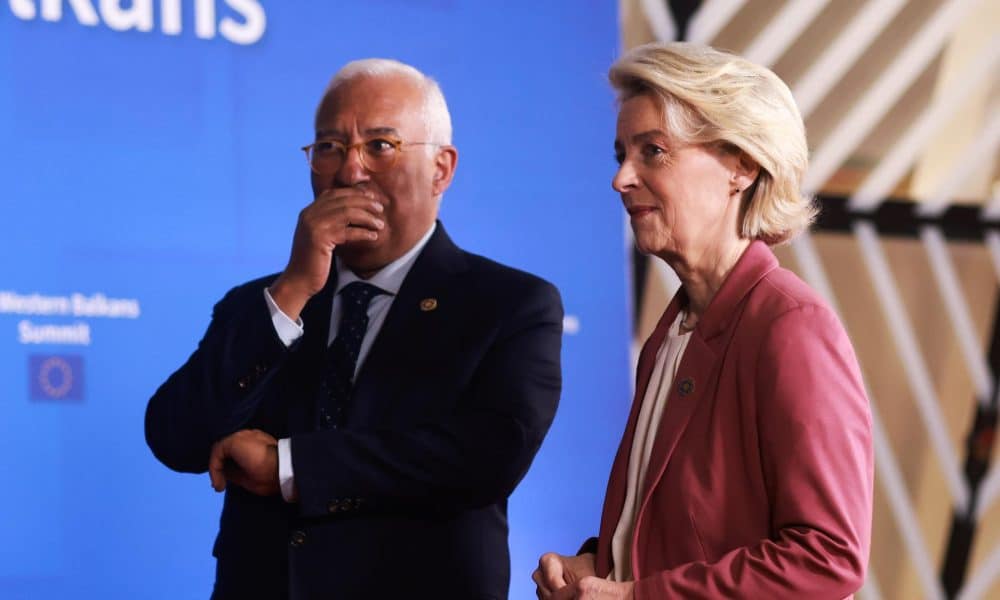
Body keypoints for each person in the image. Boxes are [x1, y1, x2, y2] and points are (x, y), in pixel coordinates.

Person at [145, 58, 563, 599]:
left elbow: (488, 455)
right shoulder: (263, 303)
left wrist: (289, 466)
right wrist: (293, 289)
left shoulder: (509, 304)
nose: (349, 172)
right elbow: (175, 437)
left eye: (380, 146)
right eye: (329, 147)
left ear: (441, 169)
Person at [533, 42, 873, 599]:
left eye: (653, 151)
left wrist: (635, 596)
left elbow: (827, 558)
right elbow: (689, 529)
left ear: (741, 165)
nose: (622, 178)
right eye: (621, 154)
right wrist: (600, 565)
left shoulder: (792, 327)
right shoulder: (670, 333)